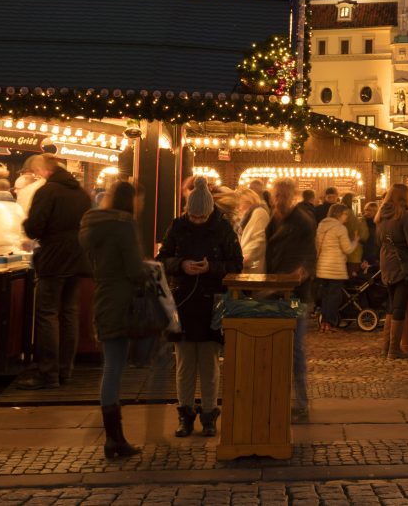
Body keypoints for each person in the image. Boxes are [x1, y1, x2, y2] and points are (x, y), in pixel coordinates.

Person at [157, 176, 242, 437]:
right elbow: (162, 259)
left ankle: (208, 416)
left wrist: (211, 268)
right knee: (184, 365)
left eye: (200, 216)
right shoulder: (177, 226)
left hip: (212, 302)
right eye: (192, 216)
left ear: (209, 211)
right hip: (183, 302)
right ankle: (185, 415)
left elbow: (236, 265)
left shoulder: (223, 228)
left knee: (209, 363)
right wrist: (181, 264)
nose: (196, 220)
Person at [78, 180, 146, 459]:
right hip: (122, 300)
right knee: (115, 368)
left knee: (111, 366)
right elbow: (134, 269)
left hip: (103, 297)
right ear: (130, 201)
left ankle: (114, 437)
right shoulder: (124, 225)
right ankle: (114, 439)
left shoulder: (92, 224)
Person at [18, 154, 91, 390]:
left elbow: (34, 227)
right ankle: (65, 370)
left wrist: (26, 226)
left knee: (47, 313)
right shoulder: (81, 193)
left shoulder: (48, 191)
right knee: (69, 312)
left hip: (53, 258)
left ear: (44, 170)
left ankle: (48, 373)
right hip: (77, 257)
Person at [266, 178, 316, 420]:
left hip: (295, 296)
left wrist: (302, 272)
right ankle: (275, 397)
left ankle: (300, 402)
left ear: (292, 196)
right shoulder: (271, 221)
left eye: (284, 195)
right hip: (272, 292)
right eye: (277, 195)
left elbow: (309, 255)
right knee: (274, 347)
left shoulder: (303, 222)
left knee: (295, 348)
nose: (279, 200)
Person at [376, 184, 408, 359]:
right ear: (403, 197)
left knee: (391, 305)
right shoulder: (403, 215)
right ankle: (394, 350)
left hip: (386, 262)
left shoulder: (381, 215)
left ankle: (386, 347)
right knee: (399, 306)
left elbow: (378, 241)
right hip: (402, 264)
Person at [316, 203, 356, 332]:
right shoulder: (340, 228)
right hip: (335, 268)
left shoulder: (321, 225)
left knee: (326, 296)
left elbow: (316, 246)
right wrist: (355, 241)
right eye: (345, 214)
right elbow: (348, 249)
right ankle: (331, 323)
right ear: (338, 214)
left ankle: (324, 323)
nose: (346, 217)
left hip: (322, 267)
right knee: (334, 297)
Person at [237, 187, 270, 273]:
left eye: (240, 204)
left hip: (253, 270)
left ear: (249, 201)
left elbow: (259, 242)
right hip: (248, 268)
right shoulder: (246, 218)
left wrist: (243, 260)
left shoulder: (259, 213)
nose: (238, 208)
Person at [342, 194, 367, 276]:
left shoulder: (338, 217)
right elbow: (364, 236)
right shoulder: (356, 219)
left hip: (341, 255)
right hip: (354, 254)